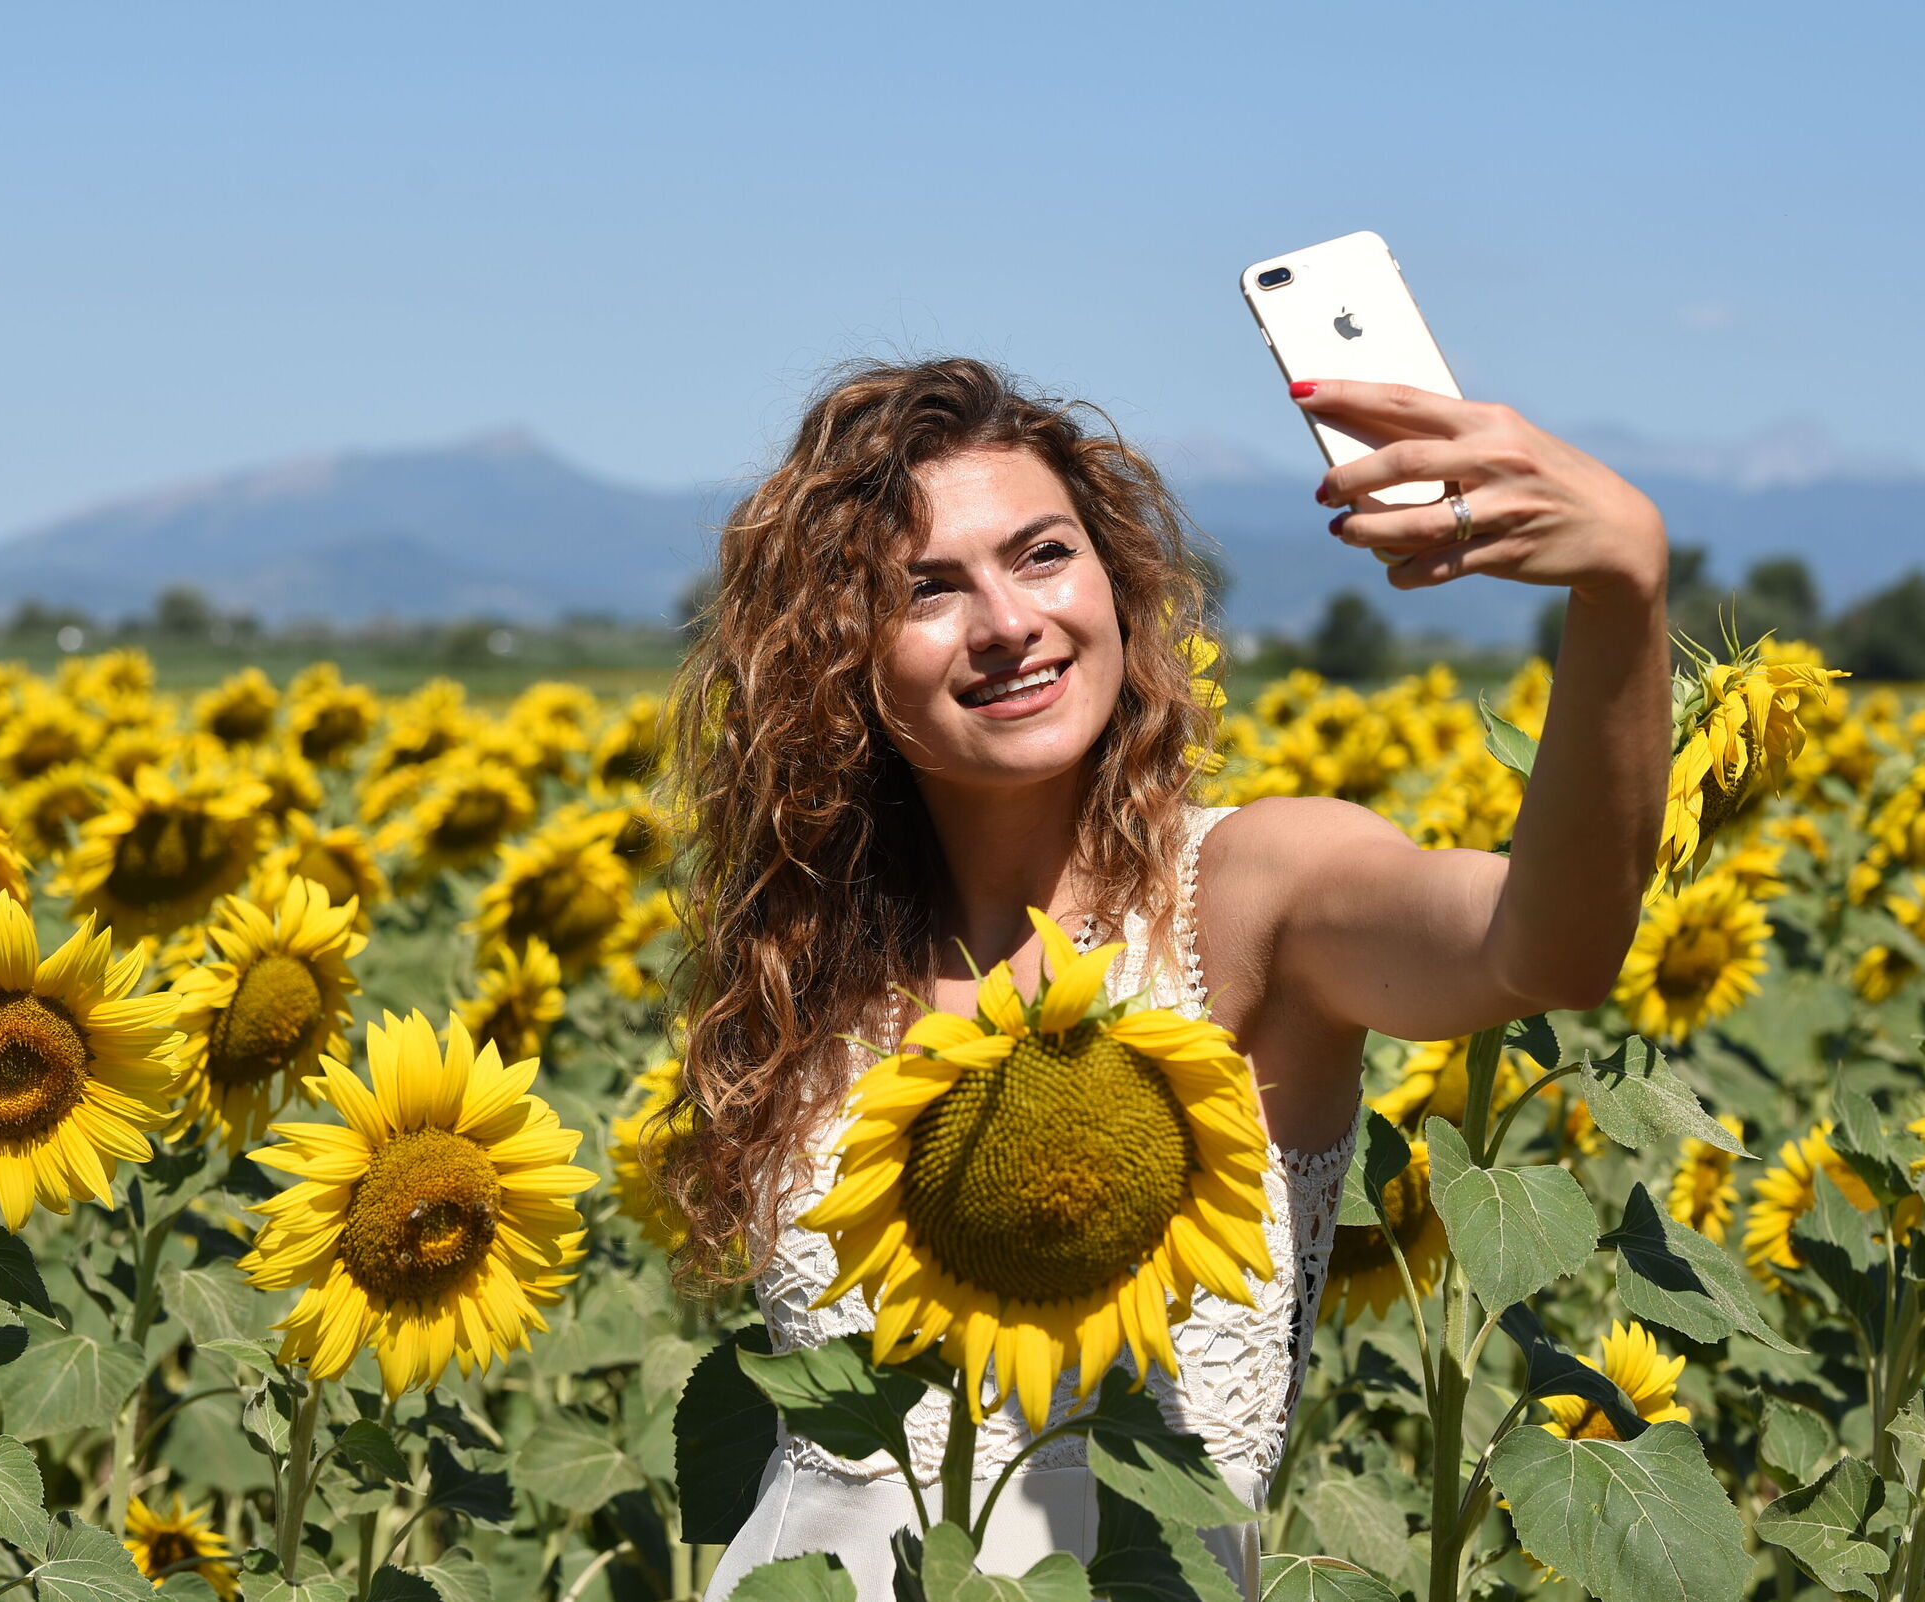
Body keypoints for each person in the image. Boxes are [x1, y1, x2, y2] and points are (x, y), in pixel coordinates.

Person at [659, 358, 1669, 1601]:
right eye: (926, 589)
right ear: (835, 661)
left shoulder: (1246, 897)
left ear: (1116, 581)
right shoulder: (813, 958)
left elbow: (1543, 946)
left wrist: (1620, 586)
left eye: (1042, 555)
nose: (1007, 622)